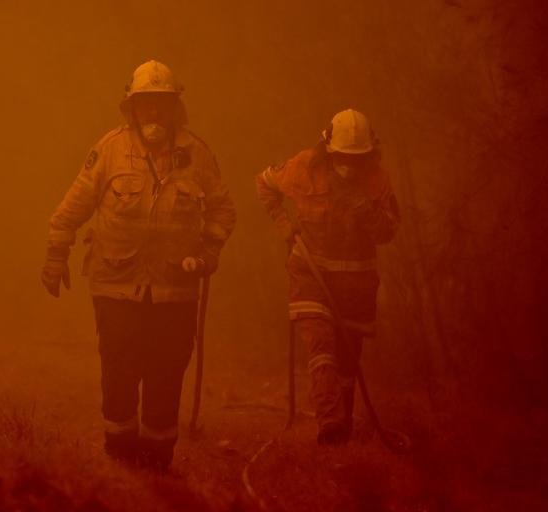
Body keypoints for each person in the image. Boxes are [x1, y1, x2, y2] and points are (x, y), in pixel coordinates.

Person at [41, 60, 236, 470]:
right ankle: (119, 456)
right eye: (145, 103)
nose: (153, 112)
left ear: (174, 107)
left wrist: (209, 253)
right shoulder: (109, 150)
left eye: (160, 103)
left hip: (176, 290)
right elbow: (71, 208)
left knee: (167, 372)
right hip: (115, 285)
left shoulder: (197, 155)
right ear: (131, 108)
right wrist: (56, 254)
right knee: (119, 367)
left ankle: (156, 463)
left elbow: (222, 211)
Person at [255, 109, 399, 444]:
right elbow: (264, 183)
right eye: (341, 157)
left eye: (357, 158)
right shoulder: (305, 167)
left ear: (369, 155)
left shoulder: (378, 181)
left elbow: (388, 231)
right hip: (310, 276)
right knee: (321, 348)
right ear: (327, 150)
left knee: (348, 362)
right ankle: (330, 424)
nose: (348, 165)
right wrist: (283, 225)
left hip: (356, 287)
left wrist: (367, 211)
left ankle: (343, 423)